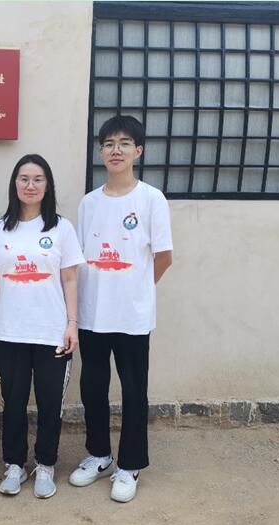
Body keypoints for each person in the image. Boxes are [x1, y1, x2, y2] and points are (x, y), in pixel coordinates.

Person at [69, 115, 173, 503]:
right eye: (109, 143)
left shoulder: (151, 199)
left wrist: (138, 289)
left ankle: (129, 465)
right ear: (101, 151)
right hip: (93, 313)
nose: (116, 150)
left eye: (125, 143)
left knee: (133, 390)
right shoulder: (89, 203)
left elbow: (164, 257)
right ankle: (99, 455)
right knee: (93, 387)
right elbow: (80, 257)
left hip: (131, 316)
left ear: (138, 151)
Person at [0, 154, 84, 499]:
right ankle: (14, 464)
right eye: (24, 178)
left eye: (38, 179)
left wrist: (72, 324)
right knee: (13, 403)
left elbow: (70, 279)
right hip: (9, 331)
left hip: (51, 331)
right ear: (15, 184)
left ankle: (45, 465)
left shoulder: (61, 228)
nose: (30, 185)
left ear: (48, 185)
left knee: (49, 403)